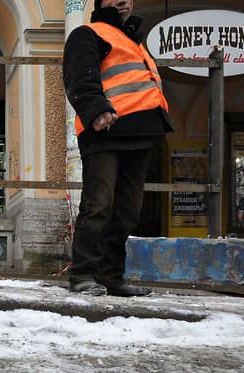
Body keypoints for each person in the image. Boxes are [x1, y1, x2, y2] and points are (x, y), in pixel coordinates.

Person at [62, 0, 173, 296]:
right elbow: (79, 75)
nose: (122, 0)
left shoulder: (132, 40)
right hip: (105, 130)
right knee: (99, 204)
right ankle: (83, 274)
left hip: (141, 133)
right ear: (100, 3)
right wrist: (95, 109)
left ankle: (112, 277)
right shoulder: (89, 32)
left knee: (128, 210)